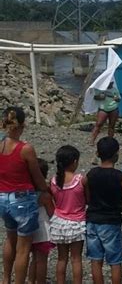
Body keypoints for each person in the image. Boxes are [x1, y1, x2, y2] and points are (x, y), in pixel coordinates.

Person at [0, 107, 49, 284]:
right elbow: (37, 178)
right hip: (22, 200)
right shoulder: (25, 149)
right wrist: (46, 189)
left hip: (3, 198)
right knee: (23, 249)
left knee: (10, 239)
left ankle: (5, 279)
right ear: (22, 126)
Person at [86, 137, 122, 284]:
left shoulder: (91, 174)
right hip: (111, 222)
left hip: (93, 220)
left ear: (97, 153)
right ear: (117, 155)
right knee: (115, 261)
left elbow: (88, 198)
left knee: (95, 260)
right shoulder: (121, 177)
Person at [50, 145, 87, 284]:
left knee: (61, 258)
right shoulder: (80, 180)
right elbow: (87, 199)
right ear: (75, 162)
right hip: (77, 223)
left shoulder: (54, 181)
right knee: (76, 259)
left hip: (59, 222)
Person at [28, 158, 55, 284]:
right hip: (43, 230)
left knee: (33, 258)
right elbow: (51, 213)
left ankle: (31, 280)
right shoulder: (45, 195)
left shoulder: (26, 193)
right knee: (42, 260)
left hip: (28, 229)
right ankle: (40, 281)